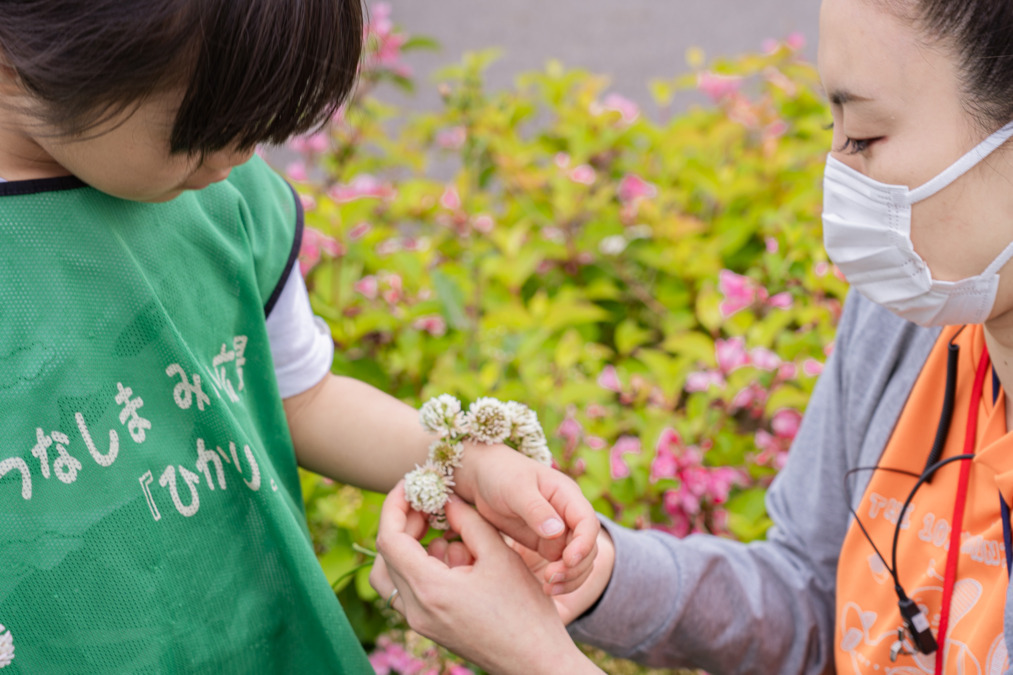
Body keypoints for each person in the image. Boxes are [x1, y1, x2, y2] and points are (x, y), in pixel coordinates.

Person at [370, 0, 1013, 671]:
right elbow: (813, 594)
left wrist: (535, 656)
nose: (835, 178)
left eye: (862, 135)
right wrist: (599, 576)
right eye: (831, 125)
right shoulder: (915, 309)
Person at [0, 2, 600, 672]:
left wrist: (462, 461)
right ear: (15, 66)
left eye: (254, 129)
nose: (235, 159)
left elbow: (302, 397)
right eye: (197, 134)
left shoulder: (223, 202)